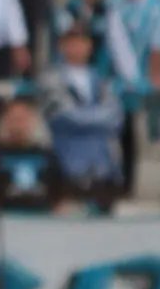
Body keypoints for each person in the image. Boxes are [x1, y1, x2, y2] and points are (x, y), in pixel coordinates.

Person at [38, 22, 124, 213]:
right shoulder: (51, 77)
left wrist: (83, 116)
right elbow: (62, 115)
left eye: (82, 42)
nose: (77, 47)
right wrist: (97, 117)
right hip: (65, 162)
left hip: (101, 166)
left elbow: (115, 116)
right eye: (72, 42)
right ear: (62, 46)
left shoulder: (100, 78)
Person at [0, 96, 60, 214]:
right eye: (13, 119)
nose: (18, 125)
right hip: (6, 219)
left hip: (42, 220)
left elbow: (59, 191)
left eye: (22, 119)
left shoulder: (46, 155)